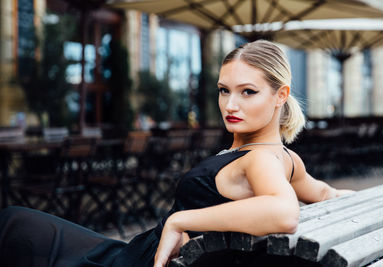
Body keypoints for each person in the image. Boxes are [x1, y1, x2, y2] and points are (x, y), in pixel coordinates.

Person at [0, 40, 353, 267]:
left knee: (15, 224)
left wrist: (179, 220)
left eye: (248, 92)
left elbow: (284, 212)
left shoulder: (259, 159)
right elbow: (322, 192)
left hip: (140, 261)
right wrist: (346, 196)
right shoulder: (285, 158)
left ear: (280, 95)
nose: (230, 104)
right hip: (141, 252)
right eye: (224, 90)